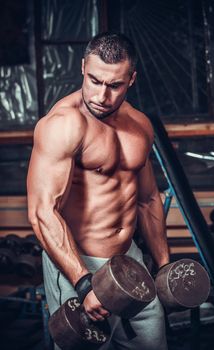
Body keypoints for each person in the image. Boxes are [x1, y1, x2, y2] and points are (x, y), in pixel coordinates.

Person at [27, 32, 169, 350]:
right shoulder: (64, 125)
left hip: (129, 260)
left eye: (114, 85)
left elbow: (147, 200)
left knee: (152, 342)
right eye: (94, 80)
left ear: (131, 79)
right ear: (82, 68)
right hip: (77, 262)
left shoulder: (140, 125)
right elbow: (42, 212)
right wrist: (83, 283)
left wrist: (163, 266)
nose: (101, 96)